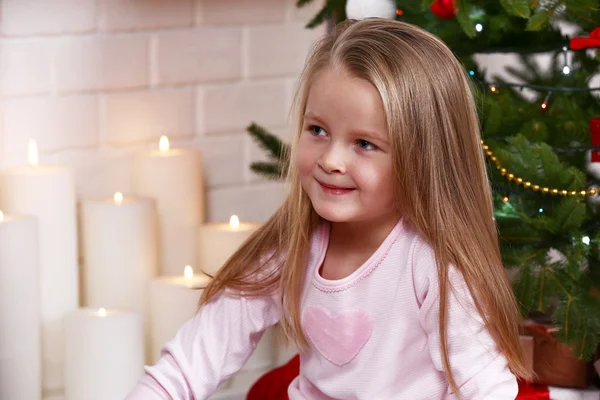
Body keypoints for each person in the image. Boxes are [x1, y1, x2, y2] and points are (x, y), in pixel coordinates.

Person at [126, 18, 532, 399]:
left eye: (364, 143)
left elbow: (485, 386)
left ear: (421, 159)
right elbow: (197, 355)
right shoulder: (289, 246)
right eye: (318, 130)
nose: (331, 160)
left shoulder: (434, 266)